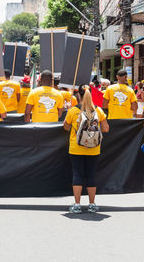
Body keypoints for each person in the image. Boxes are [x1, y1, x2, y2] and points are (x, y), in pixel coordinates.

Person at [63, 84, 109, 213]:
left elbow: (66, 127)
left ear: (79, 95)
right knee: (91, 174)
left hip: (76, 148)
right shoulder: (98, 111)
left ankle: (77, 204)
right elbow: (106, 129)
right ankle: (92, 204)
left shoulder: (73, 111)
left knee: (77, 174)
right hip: (94, 148)